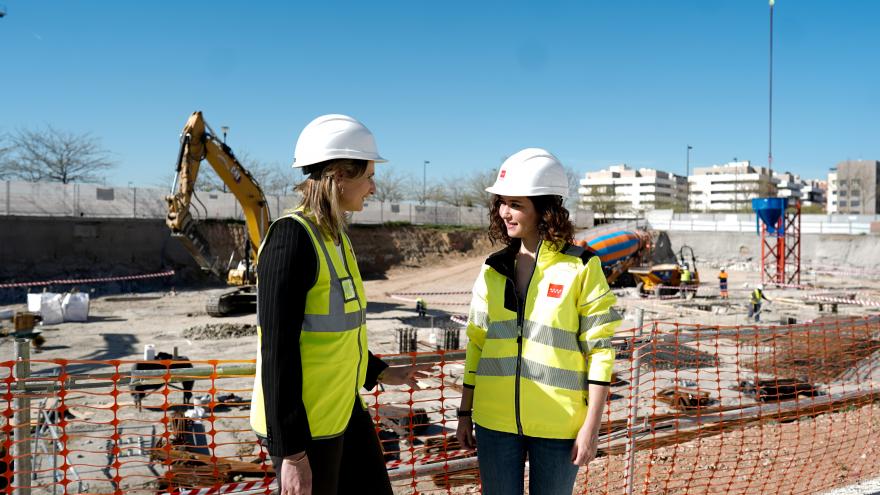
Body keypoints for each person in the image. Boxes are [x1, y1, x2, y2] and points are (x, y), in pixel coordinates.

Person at [250, 114, 431, 495]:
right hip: (306, 429)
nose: (373, 187)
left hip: (344, 411)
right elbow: (277, 352)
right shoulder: (291, 239)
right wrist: (292, 453)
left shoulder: (336, 238)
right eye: (367, 176)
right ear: (338, 176)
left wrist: (380, 372)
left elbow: (338, 332)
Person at [455, 148, 621, 495]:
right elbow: (477, 343)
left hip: (559, 426)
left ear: (544, 209)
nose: (504, 212)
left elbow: (601, 352)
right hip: (494, 423)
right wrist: (465, 412)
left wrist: (591, 427)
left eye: (516, 204)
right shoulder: (492, 268)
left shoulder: (581, 266)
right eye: (502, 202)